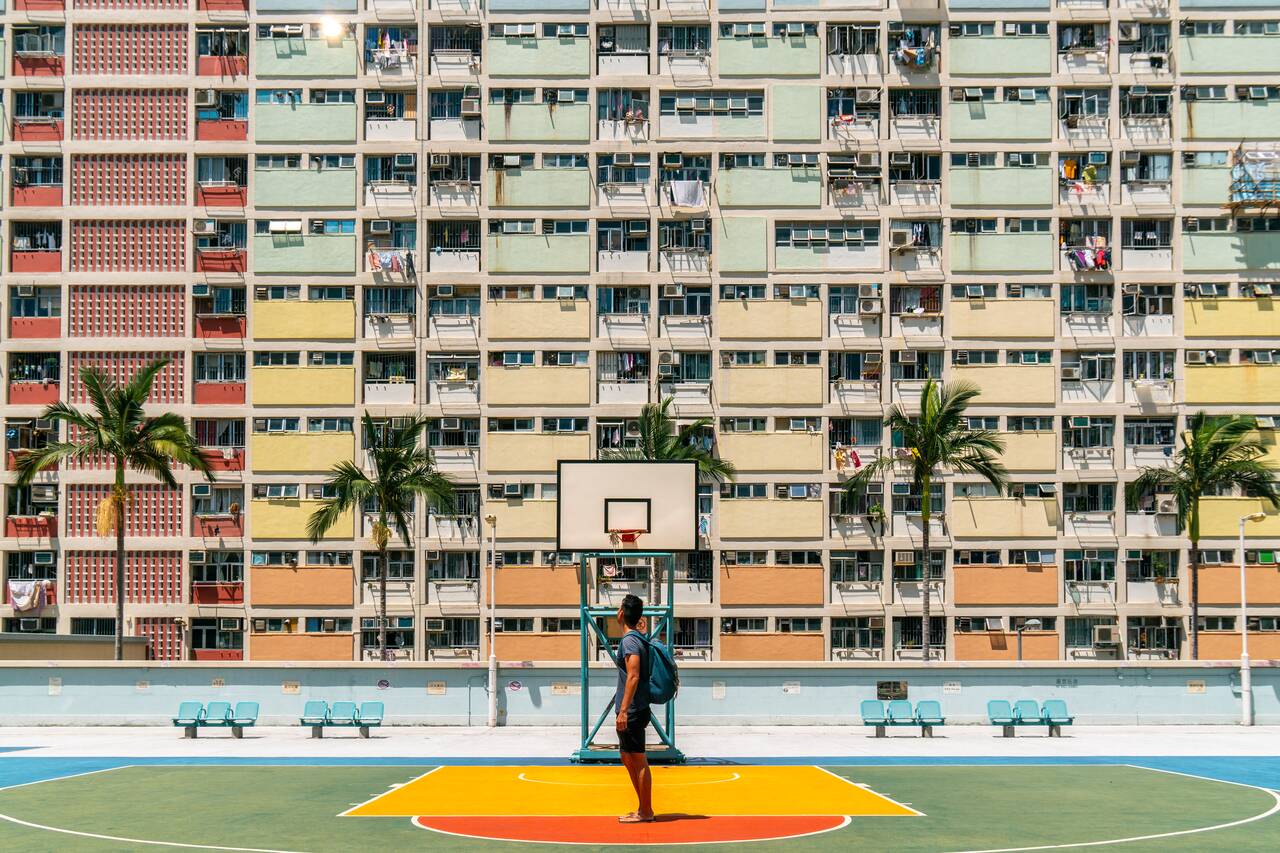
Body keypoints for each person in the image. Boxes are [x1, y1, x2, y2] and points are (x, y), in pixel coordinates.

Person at [614, 593, 654, 823]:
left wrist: (623, 710)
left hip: (633, 710)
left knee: (637, 759)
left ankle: (646, 812)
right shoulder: (636, 638)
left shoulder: (630, 641)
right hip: (633, 709)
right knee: (627, 756)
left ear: (621, 613)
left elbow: (634, 675)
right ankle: (642, 808)